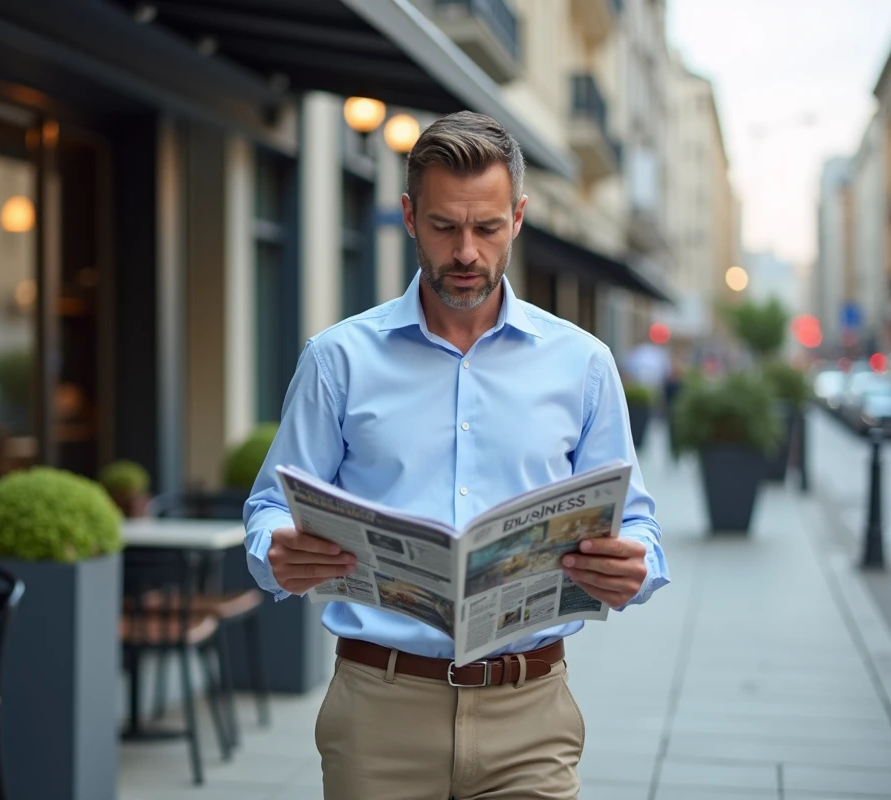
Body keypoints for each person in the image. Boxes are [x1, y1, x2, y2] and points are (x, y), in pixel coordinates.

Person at [242, 111, 670, 800]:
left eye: (487, 227)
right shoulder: (338, 359)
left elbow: (639, 524)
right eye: (444, 226)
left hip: (531, 715)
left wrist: (636, 567)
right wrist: (275, 550)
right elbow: (268, 506)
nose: (466, 251)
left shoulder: (584, 364)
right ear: (410, 217)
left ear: (519, 218)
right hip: (379, 712)